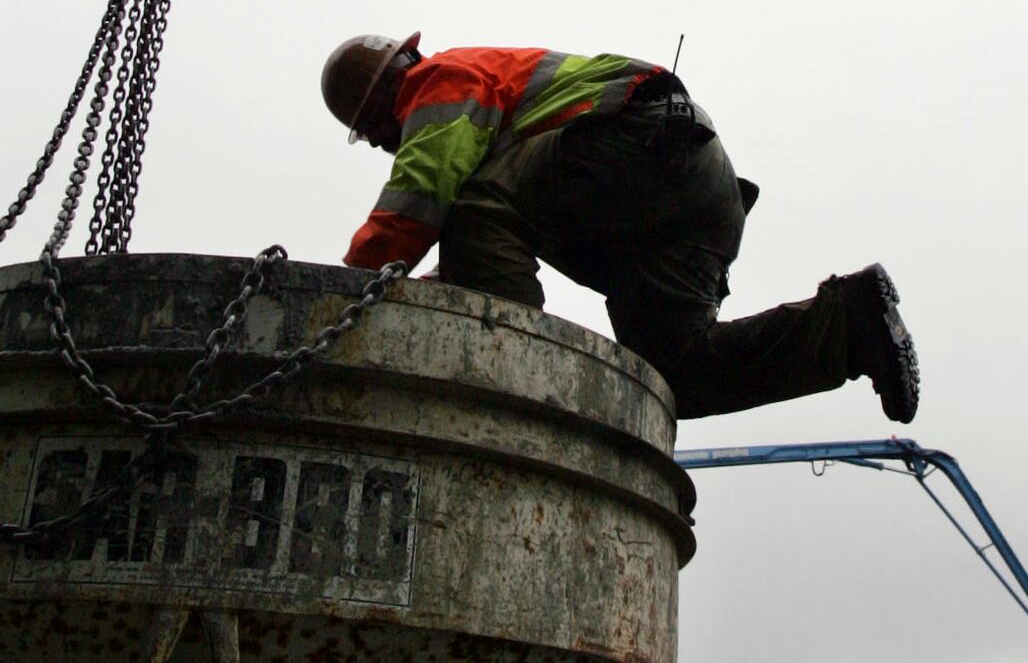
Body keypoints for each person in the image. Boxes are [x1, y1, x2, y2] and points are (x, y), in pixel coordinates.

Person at [322, 32, 919, 422]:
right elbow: (482, 246)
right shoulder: (497, 136)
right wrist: (440, 288)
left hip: (638, 142)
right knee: (672, 377)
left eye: (374, 132)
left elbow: (420, 200)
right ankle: (849, 324)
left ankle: (509, 370)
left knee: (469, 202)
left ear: (377, 107)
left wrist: (335, 295)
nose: (381, 143)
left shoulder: (439, 84)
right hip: (690, 195)